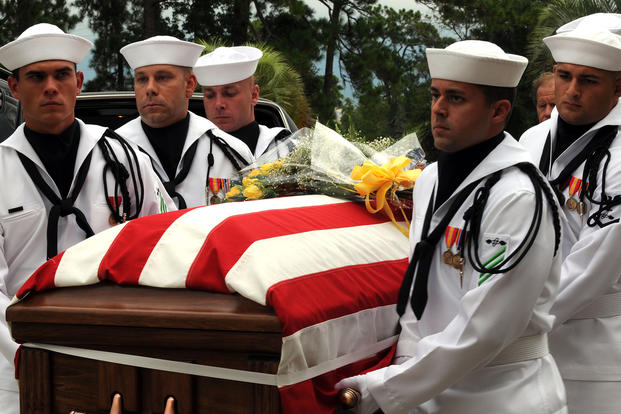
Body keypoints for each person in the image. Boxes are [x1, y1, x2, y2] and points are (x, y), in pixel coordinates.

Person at [335, 40, 567, 414]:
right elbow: (420, 299)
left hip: (502, 394)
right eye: (435, 95)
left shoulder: (519, 196)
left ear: (499, 111)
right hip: (427, 388)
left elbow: (487, 328)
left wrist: (381, 388)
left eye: (456, 99)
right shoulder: (429, 178)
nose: (438, 109)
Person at [0, 23, 175, 414]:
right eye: (36, 77)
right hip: (20, 367)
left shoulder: (127, 160)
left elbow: (167, 245)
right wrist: (38, 353)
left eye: (61, 74)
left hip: (119, 356)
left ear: (78, 81)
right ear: (14, 88)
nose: (50, 86)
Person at [519, 13, 621, 413]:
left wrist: (507, 324)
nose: (571, 91)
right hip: (518, 343)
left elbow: (595, 267)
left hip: (594, 352)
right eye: (564, 76)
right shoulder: (530, 140)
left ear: (618, 87)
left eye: (588, 80)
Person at [117, 36, 255, 207]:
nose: (150, 89)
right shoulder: (113, 152)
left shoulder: (231, 152)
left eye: (162, 78)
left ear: (189, 85)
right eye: (142, 79)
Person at [193, 46, 291, 159]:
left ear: (254, 95)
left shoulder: (283, 147)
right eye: (210, 95)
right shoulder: (191, 153)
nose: (219, 104)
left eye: (230, 93)